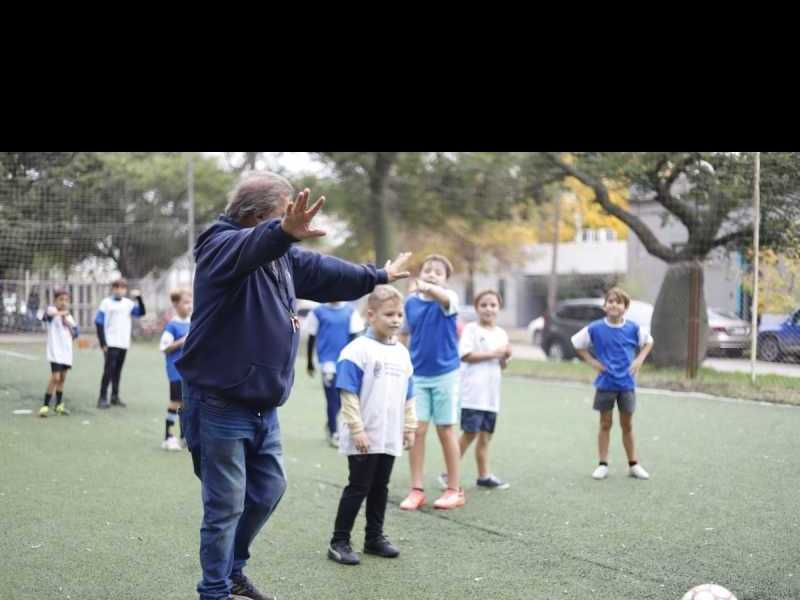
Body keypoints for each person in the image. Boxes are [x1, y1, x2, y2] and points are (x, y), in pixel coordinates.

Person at [174, 171, 411, 600]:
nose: (294, 221)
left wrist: (377, 275)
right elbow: (252, 245)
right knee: (225, 505)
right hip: (218, 402)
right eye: (284, 214)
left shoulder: (280, 256)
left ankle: (231, 570)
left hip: (262, 404)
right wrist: (282, 231)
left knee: (268, 490)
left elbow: (322, 270)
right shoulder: (218, 245)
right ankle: (214, 590)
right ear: (257, 215)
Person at [327, 285, 416, 565]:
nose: (396, 320)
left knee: (381, 486)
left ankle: (374, 538)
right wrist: (357, 430)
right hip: (364, 435)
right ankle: (339, 541)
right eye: (389, 314)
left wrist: (409, 426)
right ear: (371, 315)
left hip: (389, 435)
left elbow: (409, 394)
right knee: (359, 486)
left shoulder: (402, 353)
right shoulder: (356, 351)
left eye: (399, 314)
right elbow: (348, 394)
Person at [398, 254, 464, 511]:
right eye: (427, 270)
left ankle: (454, 490)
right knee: (416, 431)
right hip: (418, 375)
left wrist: (427, 287)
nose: (432, 274)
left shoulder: (449, 299)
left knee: (446, 430)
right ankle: (416, 490)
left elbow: (442, 297)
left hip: (446, 374)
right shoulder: (411, 303)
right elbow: (404, 335)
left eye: (438, 272)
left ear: (446, 280)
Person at [570, 287, 654, 481]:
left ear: (625, 307)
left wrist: (639, 360)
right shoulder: (595, 328)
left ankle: (633, 464)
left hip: (627, 385)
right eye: (610, 301)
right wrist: (592, 362)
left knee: (627, 425)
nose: (614, 305)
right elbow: (576, 343)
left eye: (619, 302)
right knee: (605, 423)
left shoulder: (633, 329)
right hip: (605, 384)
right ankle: (602, 464)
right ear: (605, 306)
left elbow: (649, 342)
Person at [456, 289, 511, 489]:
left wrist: (504, 357)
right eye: (484, 305)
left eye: (493, 305)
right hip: (473, 394)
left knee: (486, 436)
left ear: (499, 308)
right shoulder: (471, 329)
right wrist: (495, 353)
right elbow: (466, 355)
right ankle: (449, 472)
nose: (488, 309)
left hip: (491, 396)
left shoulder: (501, 334)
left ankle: (484, 476)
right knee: (469, 433)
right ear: (476, 308)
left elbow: (503, 365)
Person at [306, 301, 365, 447]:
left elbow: (355, 337)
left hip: (345, 362)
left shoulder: (351, 312)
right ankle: (334, 432)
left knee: (342, 399)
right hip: (327, 363)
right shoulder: (318, 312)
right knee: (332, 399)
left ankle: (330, 423)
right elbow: (312, 337)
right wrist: (310, 362)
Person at [94, 279, 146, 409]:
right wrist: (102, 342)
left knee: (118, 370)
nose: (119, 290)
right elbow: (99, 322)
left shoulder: (128, 303)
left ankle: (114, 396)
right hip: (111, 342)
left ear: (125, 290)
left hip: (123, 343)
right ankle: (102, 398)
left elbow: (141, 313)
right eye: (116, 287)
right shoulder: (106, 303)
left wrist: (139, 298)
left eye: (122, 288)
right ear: (113, 289)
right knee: (108, 371)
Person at [159, 288, 192, 451]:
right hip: (175, 370)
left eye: (190, 302)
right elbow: (164, 348)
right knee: (176, 401)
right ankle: (168, 437)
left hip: (190, 371)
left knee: (187, 403)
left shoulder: (193, 322)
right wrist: (181, 341)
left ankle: (184, 436)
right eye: (185, 302)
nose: (189, 305)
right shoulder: (172, 326)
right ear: (176, 305)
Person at [39, 290, 79, 417]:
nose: (64, 302)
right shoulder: (52, 311)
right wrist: (61, 313)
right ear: (55, 300)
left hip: (66, 352)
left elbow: (76, 333)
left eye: (66, 300)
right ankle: (45, 406)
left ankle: (59, 406)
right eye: (61, 299)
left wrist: (68, 325)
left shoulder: (69, 317)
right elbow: (45, 317)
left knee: (62, 378)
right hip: (55, 352)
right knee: (55, 378)